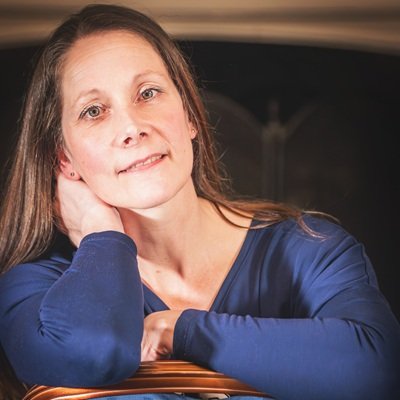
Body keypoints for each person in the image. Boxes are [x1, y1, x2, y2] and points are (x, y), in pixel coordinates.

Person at [0, 4, 399, 400]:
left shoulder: (311, 248)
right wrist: (100, 231)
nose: (132, 127)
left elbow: (377, 371)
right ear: (64, 158)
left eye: (148, 93)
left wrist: (180, 331)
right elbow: (92, 353)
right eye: (94, 111)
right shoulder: (37, 290)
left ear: (190, 113)